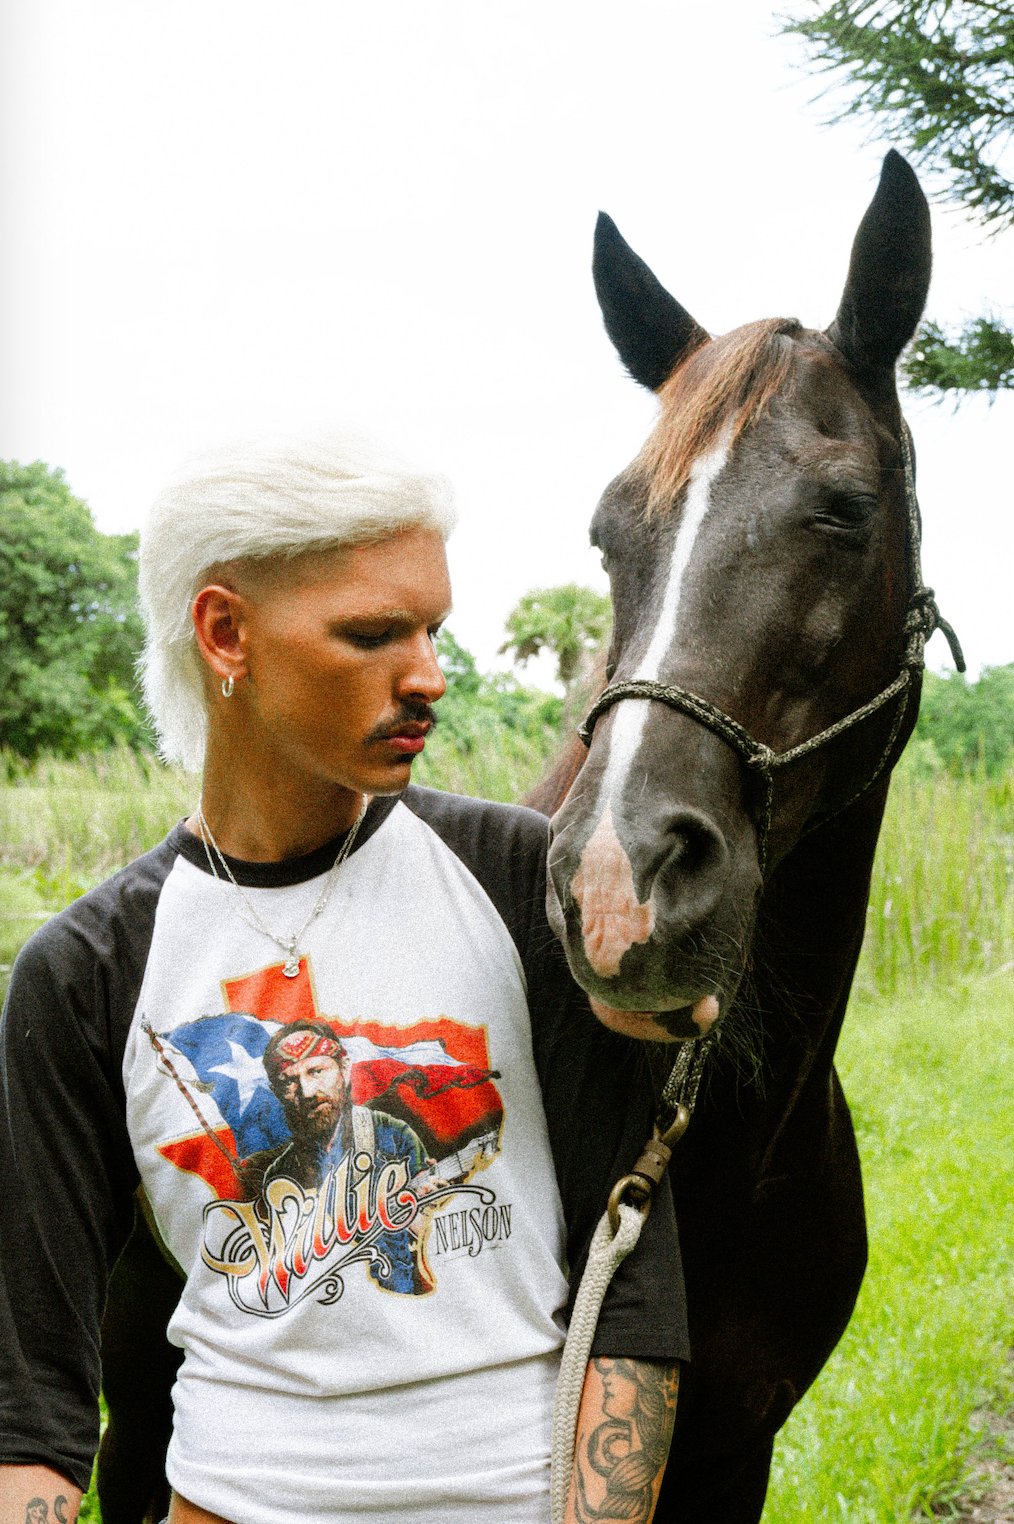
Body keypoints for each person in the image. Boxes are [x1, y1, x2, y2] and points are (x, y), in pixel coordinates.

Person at [0, 432, 689, 1524]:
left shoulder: (515, 877)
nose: (429, 676)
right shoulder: (87, 971)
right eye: (372, 634)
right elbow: (30, 1400)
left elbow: (631, 1266)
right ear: (226, 632)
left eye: (432, 630)